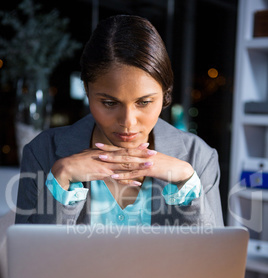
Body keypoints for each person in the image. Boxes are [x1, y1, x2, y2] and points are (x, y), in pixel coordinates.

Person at [15, 14, 224, 228]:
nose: (127, 122)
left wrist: (187, 185)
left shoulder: (198, 157)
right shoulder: (42, 152)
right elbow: (28, 257)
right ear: (86, 90)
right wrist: (61, 179)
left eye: (144, 102)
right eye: (109, 103)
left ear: (165, 94)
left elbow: (214, 258)